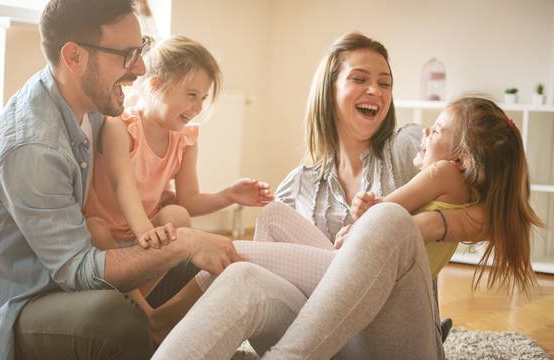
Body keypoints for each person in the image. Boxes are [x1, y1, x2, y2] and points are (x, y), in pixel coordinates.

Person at [152, 33, 494, 359]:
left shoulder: (411, 146)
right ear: (329, 90)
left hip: (393, 336)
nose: (375, 90)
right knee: (245, 271)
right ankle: (157, 331)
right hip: (325, 341)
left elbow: (496, 206)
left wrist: (430, 224)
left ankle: (177, 302)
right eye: (359, 79)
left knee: (387, 219)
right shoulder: (296, 185)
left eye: (385, 83)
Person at [0, 1, 240, 359]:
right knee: (115, 320)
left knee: (197, 268)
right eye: (126, 54)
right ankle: (148, 328)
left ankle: (154, 326)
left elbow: (128, 183)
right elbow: (77, 269)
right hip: (19, 302)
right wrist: (182, 242)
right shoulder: (33, 147)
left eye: (142, 49)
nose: (138, 68)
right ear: (74, 57)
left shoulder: (92, 107)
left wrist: (174, 227)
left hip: (64, 274)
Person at [83, 34, 273, 314]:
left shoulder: (184, 139)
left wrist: (229, 195)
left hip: (142, 234)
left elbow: (189, 199)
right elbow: (123, 185)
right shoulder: (121, 128)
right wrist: (146, 232)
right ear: (156, 85)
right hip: (109, 237)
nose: (198, 107)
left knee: (178, 215)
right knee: (93, 227)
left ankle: (149, 306)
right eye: (191, 95)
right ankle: (145, 314)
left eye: (203, 98)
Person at [348, 96, 541, 290]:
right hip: (398, 287)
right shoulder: (473, 198)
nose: (426, 131)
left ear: (460, 160)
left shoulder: (444, 172)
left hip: (368, 275)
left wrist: (364, 209)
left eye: (437, 130)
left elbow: (382, 213)